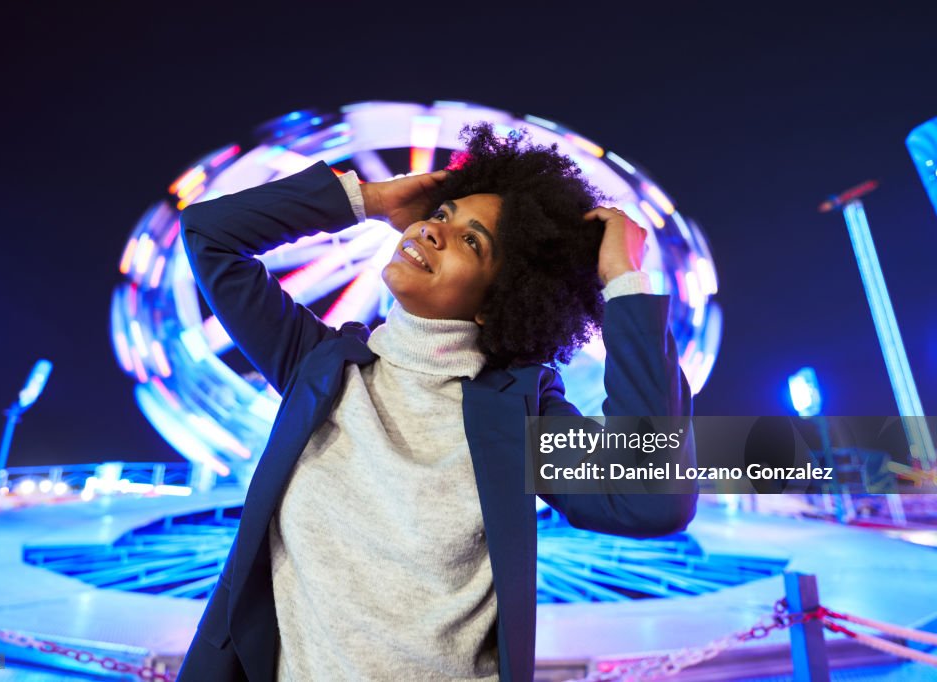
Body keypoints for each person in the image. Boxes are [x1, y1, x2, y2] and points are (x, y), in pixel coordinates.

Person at [176, 123, 697, 682]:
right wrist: (368, 200)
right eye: (443, 214)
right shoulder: (319, 366)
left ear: (496, 303)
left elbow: (651, 500)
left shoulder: (520, 412)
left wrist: (624, 283)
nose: (432, 231)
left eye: (473, 241)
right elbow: (210, 234)